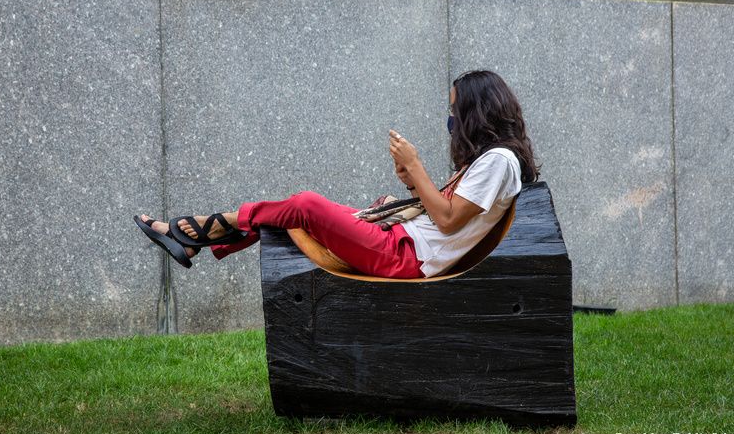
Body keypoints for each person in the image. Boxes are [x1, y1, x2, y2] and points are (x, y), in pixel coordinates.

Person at [134, 70, 541, 279]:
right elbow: (446, 212)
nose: (451, 119)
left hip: (406, 257)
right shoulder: (492, 160)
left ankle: (196, 230)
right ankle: (193, 240)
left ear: (476, 113)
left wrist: (417, 167)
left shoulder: (499, 161)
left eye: (455, 111)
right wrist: (409, 180)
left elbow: (449, 221)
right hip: (399, 241)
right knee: (295, 212)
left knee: (306, 205)